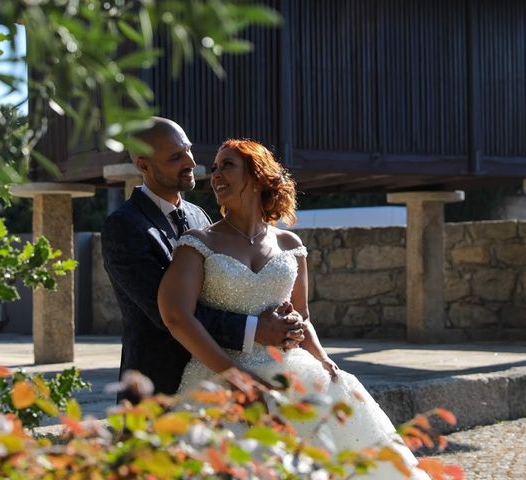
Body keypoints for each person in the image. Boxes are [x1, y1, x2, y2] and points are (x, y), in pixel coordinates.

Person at [157, 139, 431, 479]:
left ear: (257, 176)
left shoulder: (290, 244)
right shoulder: (199, 243)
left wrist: (322, 356)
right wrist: (237, 380)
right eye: (214, 169)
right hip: (217, 375)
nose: (215, 175)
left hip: (293, 373)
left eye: (227, 165)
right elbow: (176, 316)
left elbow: (301, 316)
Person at [101, 118, 306, 404]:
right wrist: (254, 329)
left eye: (188, 150)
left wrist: (287, 321)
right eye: (175, 157)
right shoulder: (123, 227)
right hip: (159, 386)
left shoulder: (200, 215)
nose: (190, 161)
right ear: (144, 166)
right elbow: (166, 314)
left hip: (217, 378)